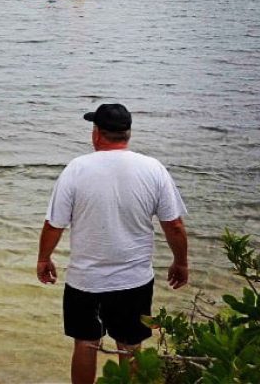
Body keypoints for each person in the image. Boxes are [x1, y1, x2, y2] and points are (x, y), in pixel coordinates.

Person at [37, 103, 189, 384]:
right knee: (130, 346)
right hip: (133, 280)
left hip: (85, 280)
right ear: (127, 134)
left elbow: (54, 224)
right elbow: (174, 226)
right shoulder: (153, 169)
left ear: (96, 134)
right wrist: (180, 262)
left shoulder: (76, 169)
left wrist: (44, 259)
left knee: (85, 343)